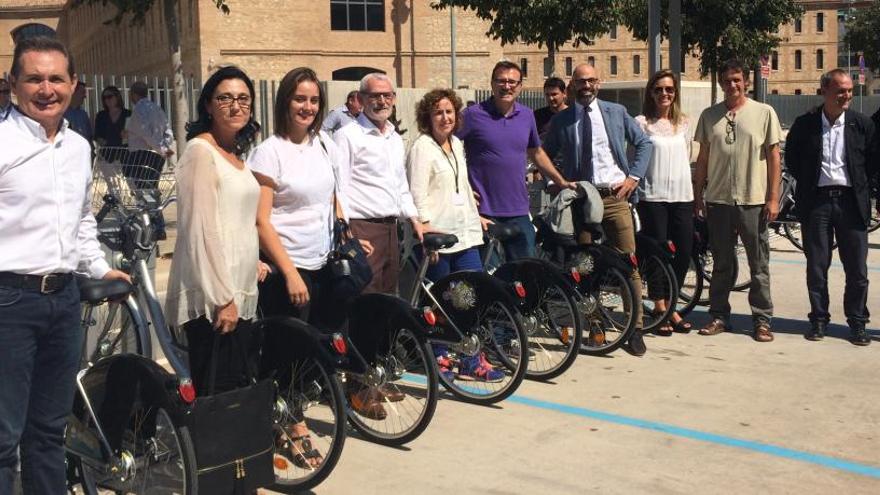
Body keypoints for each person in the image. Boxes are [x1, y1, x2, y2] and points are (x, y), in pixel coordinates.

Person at [0, 36, 129, 495]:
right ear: (14, 83)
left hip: (62, 301)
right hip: (9, 303)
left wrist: (98, 268)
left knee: (49, 434)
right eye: (34, 78)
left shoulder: (78, 147)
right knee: (4, 439)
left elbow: (81, 222)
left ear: (75, 85)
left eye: (56, 78)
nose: (46, 88)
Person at [164, 66, 268, 399]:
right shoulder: (200, 153)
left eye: (243, 99)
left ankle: (238, 452)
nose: (235, 106)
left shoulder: (235, 154)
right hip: (215, 300)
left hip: (239, 289)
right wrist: (223, 299)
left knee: (236, 390)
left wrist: (253, 261)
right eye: (225, 98)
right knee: (219, 396)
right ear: (208, 105)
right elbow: (200, 231)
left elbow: (235, 220)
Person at [543, 63, 653, 356]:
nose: (586, 86)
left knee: (628, 263)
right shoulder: (563, 120)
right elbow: (543, 153)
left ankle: (635, 328)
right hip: (582, 199)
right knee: (585, 266)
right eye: (580, 81)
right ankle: (595, 326)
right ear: (572, 86)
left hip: (615, 196)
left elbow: (644, 143)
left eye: (591, 80)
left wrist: (633, 178)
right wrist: (553, 182)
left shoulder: (616, 113)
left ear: (599, 83)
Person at [407, 88, 503, 382]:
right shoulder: (422, 148)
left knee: (470, 299)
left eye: (449, 111)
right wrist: (423, 229)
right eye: (438, 112)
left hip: (466, 234)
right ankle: (439, 357)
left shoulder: (458, 144)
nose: (445, 117)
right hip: (439, 237)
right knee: (440, 303)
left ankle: (472, 358)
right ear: (427, 117)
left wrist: (476, 215)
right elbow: (416, 193)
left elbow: (460, 186)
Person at [785, 69, 877, 345]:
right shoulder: (806, 124)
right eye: (840, 90)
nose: (846, 95)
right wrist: (811, 183)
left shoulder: (861, 125)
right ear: (825, 91)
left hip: (852, 202)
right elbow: (793, 158)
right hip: (817, 203)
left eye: (849, 90)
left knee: (857, 270)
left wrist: (866, 187)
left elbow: (873, 161)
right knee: (816, 266)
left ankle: (858, 322)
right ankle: (819, 320)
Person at [693, 59, 782, 343]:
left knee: (758, 263)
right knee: (721, 263)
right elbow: (703, 158)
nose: (732, 85)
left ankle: (762, 320)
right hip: (718, 199)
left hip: (753, 199)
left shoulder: (764, 112)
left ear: (745, 82)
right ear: (720, 83)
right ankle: (718, 315)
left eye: (737, 80)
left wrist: (772, 197)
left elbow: (773, 157)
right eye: (727, 80)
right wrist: (698, 195)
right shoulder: (709, 116)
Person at [458, 60, 573, 262]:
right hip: (483, 211)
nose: (507, 86)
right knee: (490, 277)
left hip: (518, 209)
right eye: (501, 81)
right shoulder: (472, 115)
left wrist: (561, 181)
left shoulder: (527, 115)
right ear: (492, 84)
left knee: (527, 272)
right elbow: (448, 148)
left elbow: (536, 152)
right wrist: (460, 187)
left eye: (512, 81)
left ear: (520, 86)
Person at [333, 72, 425, 295]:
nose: (382, 101)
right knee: (365, 299)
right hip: (363, 229)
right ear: (362, 99)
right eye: (375, 96)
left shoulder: (393, 138)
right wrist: (347, 235)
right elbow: (338, 188)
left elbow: (400, 184)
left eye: (387, 95)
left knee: (388, 297)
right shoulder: (347, 136)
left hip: (391, 230)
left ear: (394, 98)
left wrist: (415, 219)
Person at [635, 70, 695, 336]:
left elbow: (689, 155)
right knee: (657, 254)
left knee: (683, 253)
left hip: (682, 196)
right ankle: (660, 306)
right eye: (659, 89)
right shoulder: (641, 123)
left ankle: (671, 305)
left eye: (669, 89)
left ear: (675, 93)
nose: (664, 94)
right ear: (651, 92)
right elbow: (635, 158)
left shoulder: (684, 123)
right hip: (653, 197)